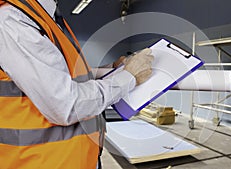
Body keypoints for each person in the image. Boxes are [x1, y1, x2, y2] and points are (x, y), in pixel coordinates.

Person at [0, 0, 154, 168]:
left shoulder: (46, 17)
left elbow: (62, 75)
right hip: (42, 162)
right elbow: (66, 104)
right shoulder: (13, 20)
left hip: (71, 159)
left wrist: (112, 69)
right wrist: (127, 77)